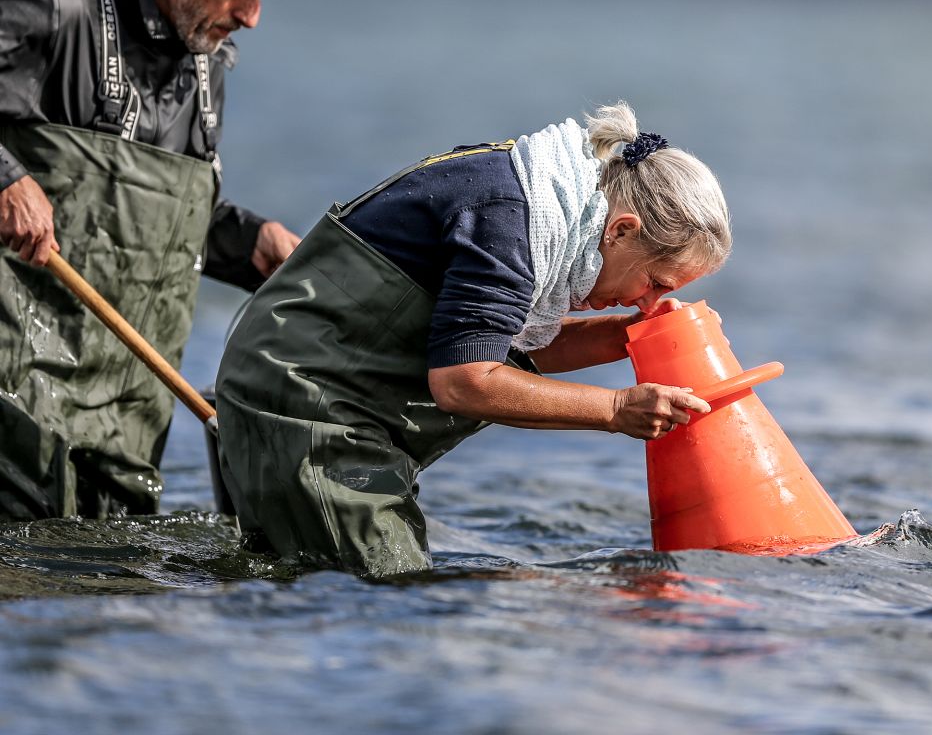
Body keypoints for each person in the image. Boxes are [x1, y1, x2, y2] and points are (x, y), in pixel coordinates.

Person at [215, 102, 732, 577]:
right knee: (388, 587)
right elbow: (464, 381)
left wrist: (629, 337)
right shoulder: (511, 222)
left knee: (315, 579)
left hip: (321, 395)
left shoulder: (545, 199)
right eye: (656, 284)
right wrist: (617, 408)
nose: (648, 302)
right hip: (305, 405)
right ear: (620, 230)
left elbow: (496, 346)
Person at [0, 0, 313, 520]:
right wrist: (6, 178)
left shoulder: (206, 70)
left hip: (124, 431)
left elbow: (141, 222)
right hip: (13, 412)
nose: (253, 17)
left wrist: (249, 242)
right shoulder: (54, 10)